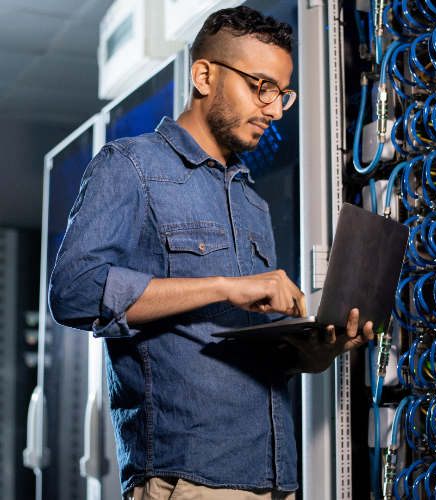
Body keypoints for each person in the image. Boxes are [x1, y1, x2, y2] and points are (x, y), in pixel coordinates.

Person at [49, 6, 374, 500]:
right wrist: (224, 287)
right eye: (260, 86)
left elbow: (221, 353)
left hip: (275, 479)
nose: (274, 108)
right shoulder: (131, 167)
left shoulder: (250, 200)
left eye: (282, 94)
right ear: (204, 75)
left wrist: (310, 354)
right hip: (190, 482)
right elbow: (73, 292)